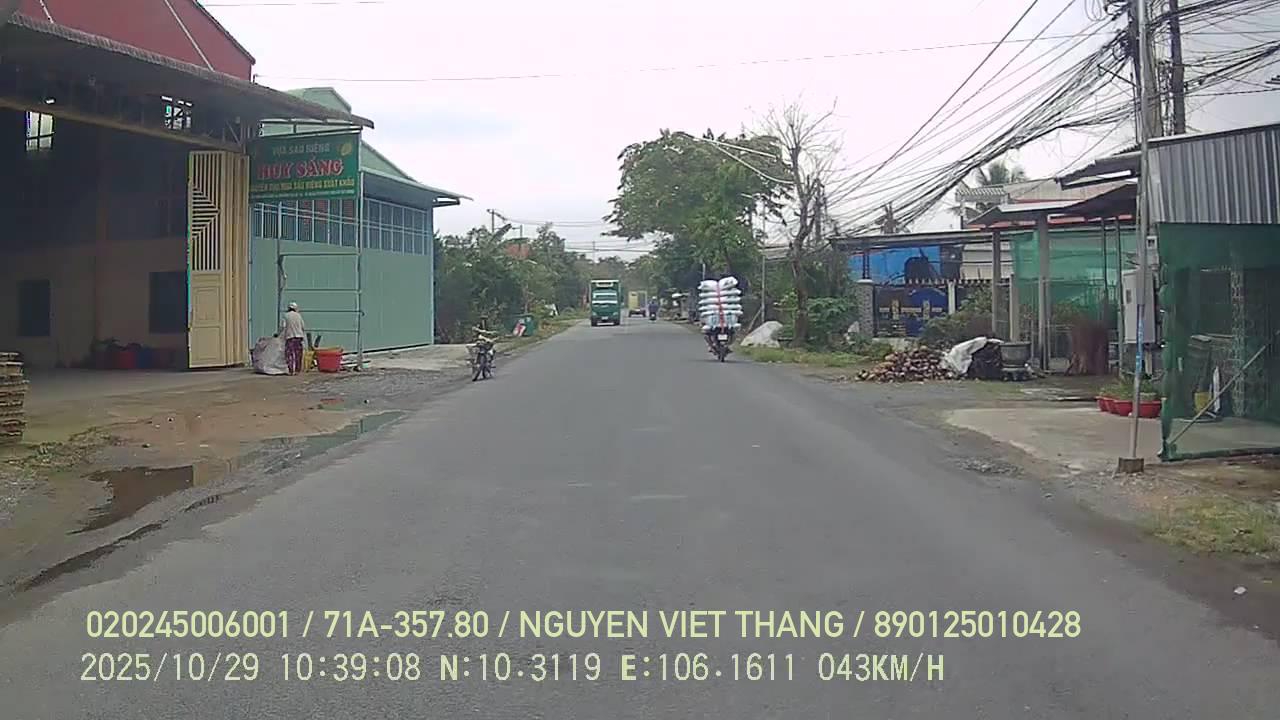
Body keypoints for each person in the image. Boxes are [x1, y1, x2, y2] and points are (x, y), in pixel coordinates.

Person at [281, 302, 306, 375]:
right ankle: (298, 370)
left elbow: (283, 326)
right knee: (298, 354)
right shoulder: (299, 316)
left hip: (290, 337)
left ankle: (291, 370)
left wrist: (279, 334)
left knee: (290, 354)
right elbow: (303, 326)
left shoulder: (286, 316)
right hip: (299, 337)